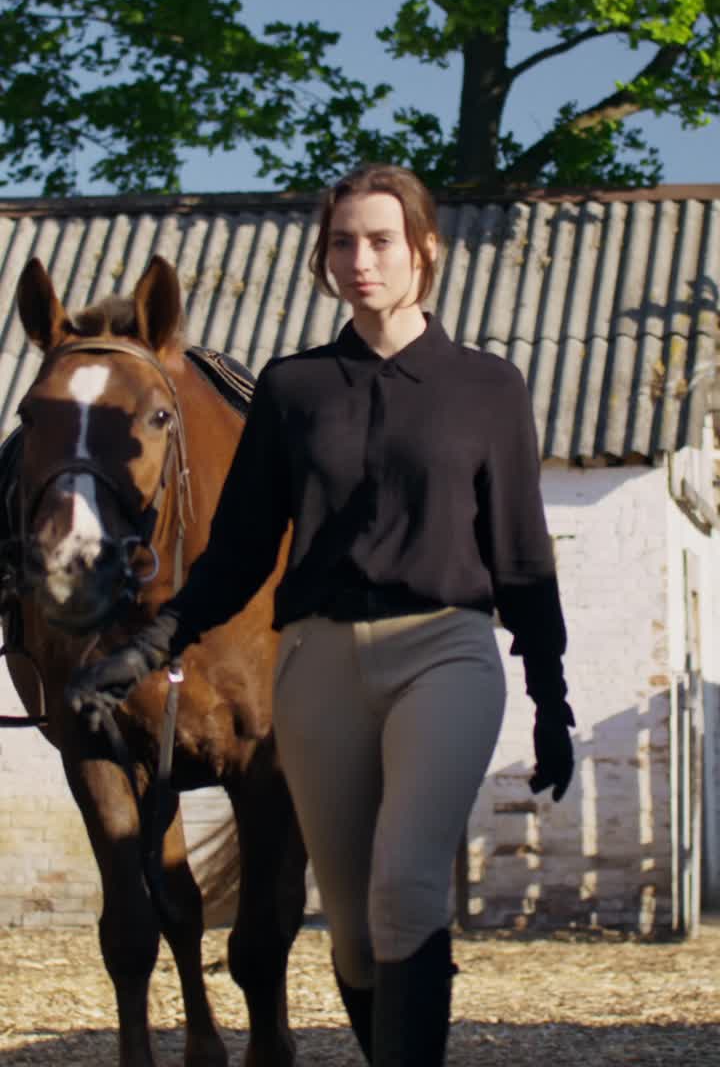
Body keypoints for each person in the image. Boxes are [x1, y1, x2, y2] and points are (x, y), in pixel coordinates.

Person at [66, 162, 575, 1067]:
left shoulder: (489, 387)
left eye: (381, 240)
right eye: (342, 242)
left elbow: (523, 555)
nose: (360, 259)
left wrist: (551, 698)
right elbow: (240, 551)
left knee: (407, 887)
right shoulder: (292, 389)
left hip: (444, 652)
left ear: (425, 250)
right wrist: (149, 645)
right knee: (349, 928)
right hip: (319, 664)